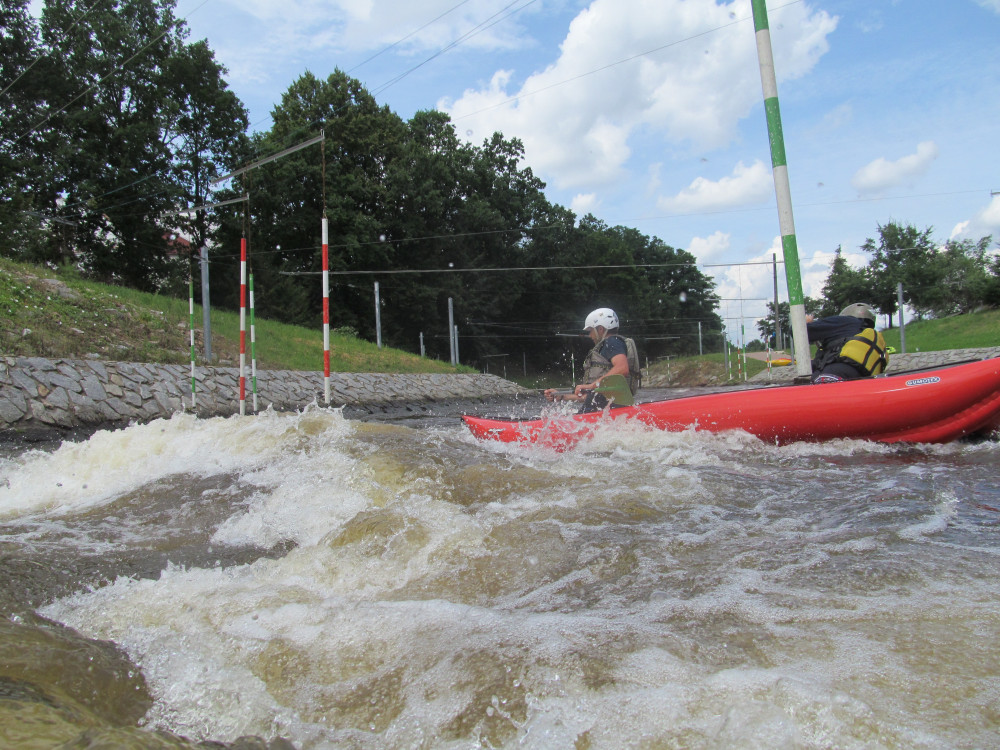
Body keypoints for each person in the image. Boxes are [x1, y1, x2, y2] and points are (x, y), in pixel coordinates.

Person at [545, 308, 635, 412]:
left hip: (608, 408)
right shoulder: (608, 347)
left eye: (591, 330)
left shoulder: (612, 342)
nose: (590, 335)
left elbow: (622, 368)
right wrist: (561, 396)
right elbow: (589, 397)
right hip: (605, 407)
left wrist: (591, 385)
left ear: (600, 329)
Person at [805, 302, 889, 383]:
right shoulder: (873, 338)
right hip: (862, 381)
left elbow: (802, 332)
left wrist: (806, 322)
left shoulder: (845, 321)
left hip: (836, 372)